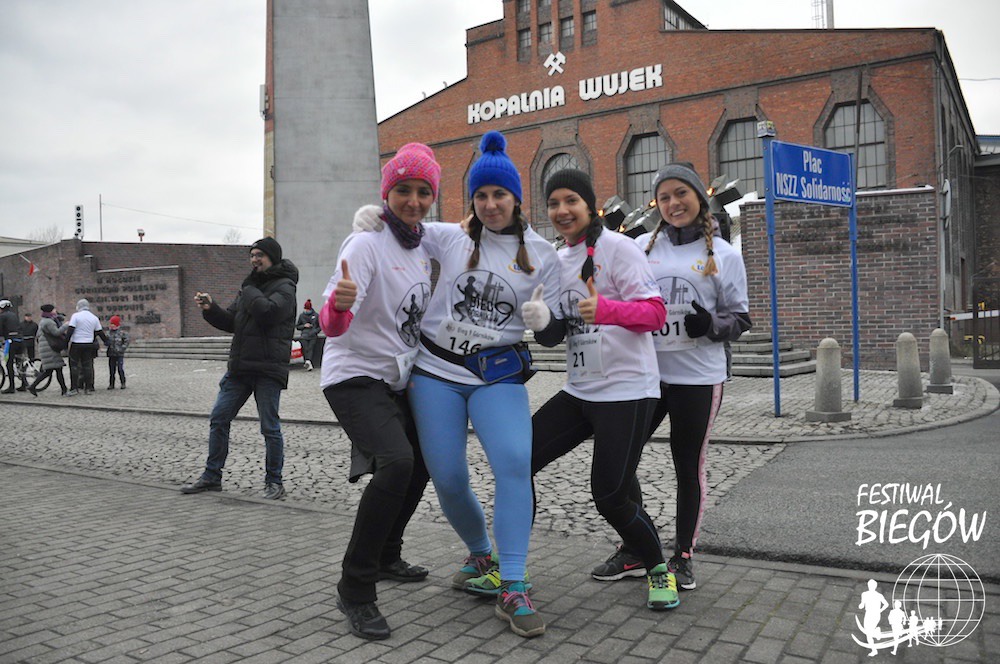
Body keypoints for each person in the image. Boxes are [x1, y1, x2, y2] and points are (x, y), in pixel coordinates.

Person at [354, 130, 562, 638]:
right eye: (481, 195)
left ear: (516, 197)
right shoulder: (449, 236)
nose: (490, 205)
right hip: (436, 374)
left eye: (500, 194)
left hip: (498, 375)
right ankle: (481, 555)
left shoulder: (542, 254)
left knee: (514, 463)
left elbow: (555, 333)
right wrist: (373, 221)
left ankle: (513, 584)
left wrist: (544, 322)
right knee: (447, 477)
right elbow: (404, 224)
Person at [592, 163, 751, 593]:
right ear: (656, 205)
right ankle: (635, 547)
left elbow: (740, 318)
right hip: (643, 376)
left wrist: (711, 326)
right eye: (664, 197)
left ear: (698, 197)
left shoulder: (724, 254)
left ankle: (683, 556)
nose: (673, 203)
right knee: (622, 461)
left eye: (681, 193)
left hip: (698, 377)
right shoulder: (641, 247)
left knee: (687, 465)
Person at [528, 169, 676, 612]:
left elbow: (655, 314)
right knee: (519, 460)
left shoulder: (619, 247)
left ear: (590, 206)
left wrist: (608, 309)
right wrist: (540, 321)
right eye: (554, 203)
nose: (561, 210)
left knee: (609, 494)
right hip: (580, 389)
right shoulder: (558, 259)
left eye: (570, 200)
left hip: (628, 390)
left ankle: (657, 567)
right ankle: (508, 560)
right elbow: (555, 335)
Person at [320, 143, 440, 641]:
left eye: (423, 191)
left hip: (396, 377)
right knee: (396, 462)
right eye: (403, 190)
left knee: (424, 461)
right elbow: (332, 325)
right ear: (386, 192)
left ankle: (388, 553)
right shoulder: (365, 244)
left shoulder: (423, 246)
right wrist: (339, 306)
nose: (413, 200)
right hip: (353, 374)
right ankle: (356, 587)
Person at [180, 237, 298, 500]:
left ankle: (274, 481)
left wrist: (250, 289)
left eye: (259, 255)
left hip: (268, 369)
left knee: (270, 427)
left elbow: (268, 313)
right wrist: (211, 309)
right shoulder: (249, 288)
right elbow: (232, 321)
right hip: (240, 368)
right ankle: (212, 477)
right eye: (252, 255)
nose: (254, 260)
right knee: (219, 418)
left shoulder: (285, 287)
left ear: (272, 257)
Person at [65, 299, 108, 396]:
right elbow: (100, 332)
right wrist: (106, 341)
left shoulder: (75, 316)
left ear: (78, 306)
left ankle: (74, 388)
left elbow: (70, 331)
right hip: (89, 344)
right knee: (87, 366)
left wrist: (65, 343)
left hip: (76, 343)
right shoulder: (94, 318)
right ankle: (88, 388)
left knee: (74, 366)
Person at [28, 304, 69, 396]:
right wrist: (66, 325)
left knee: (49, 371)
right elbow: (56, 332)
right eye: (54, 309)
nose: (55, 311)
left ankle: (33, 386)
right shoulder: (49, 322)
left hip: (47, 348)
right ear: (50, 311)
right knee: (57, 369)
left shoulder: (44, 320)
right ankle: (64, 390)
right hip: (50, 349)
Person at [1, 299, 27, 393]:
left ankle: (11, 387)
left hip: (11, 341)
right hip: (20, 340)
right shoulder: (14, 315)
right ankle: (24, 384)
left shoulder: (2, 316)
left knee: (9, 363)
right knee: (19, 362)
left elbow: (0, 329)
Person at [105, 315, 130, 389]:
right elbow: (105, 341)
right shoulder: (108, 333)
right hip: (111, 353)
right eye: (111, 324)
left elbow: (126, 341)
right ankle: (111, 384)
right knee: (112, 370)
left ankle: (123, 383)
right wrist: (107, 343)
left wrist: (122, 349)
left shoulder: (122, 333)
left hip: (119, 354)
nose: (112, 325)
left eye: (113, 324)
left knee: (120, 369)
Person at [295, 299, 320, 371]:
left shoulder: (316, 315)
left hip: (313, 335)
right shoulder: (301, 316)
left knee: (310, 348)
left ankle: (308, 361)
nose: (306, 310)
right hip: (304, 335)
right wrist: (304, 326)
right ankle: (308, 361)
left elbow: (319, 326)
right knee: (305, 348)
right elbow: (297, 326)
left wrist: (315, 331)